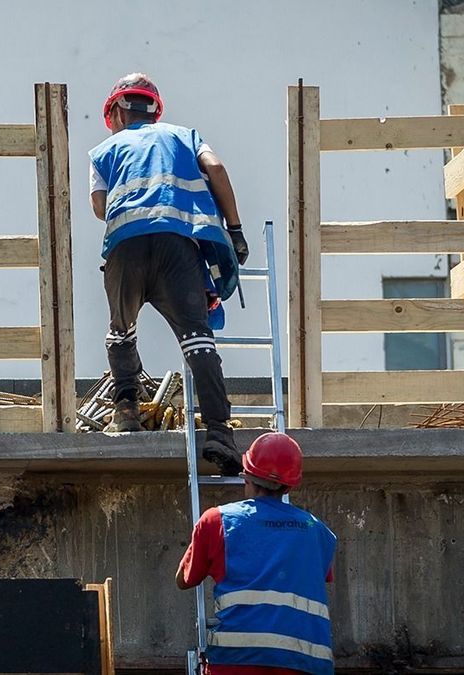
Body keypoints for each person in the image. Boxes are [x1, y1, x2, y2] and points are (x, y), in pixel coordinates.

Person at [88, 72, 248, 472]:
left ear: (118, 112)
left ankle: (125, 411)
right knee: (197, 340)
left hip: (126, 246)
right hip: (180, 247)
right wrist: (235, 230)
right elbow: (218, 169)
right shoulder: (185, 136)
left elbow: (99, 207)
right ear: (153, 110)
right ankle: (219, 433)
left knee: (120, 329)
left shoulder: (104, 151)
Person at [176, 433, 337, 675]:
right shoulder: (319, 532)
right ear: (291, 484)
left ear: (247, 476)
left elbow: (184, 580)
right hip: (308, 664)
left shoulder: (217, 521)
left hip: (238, 662)